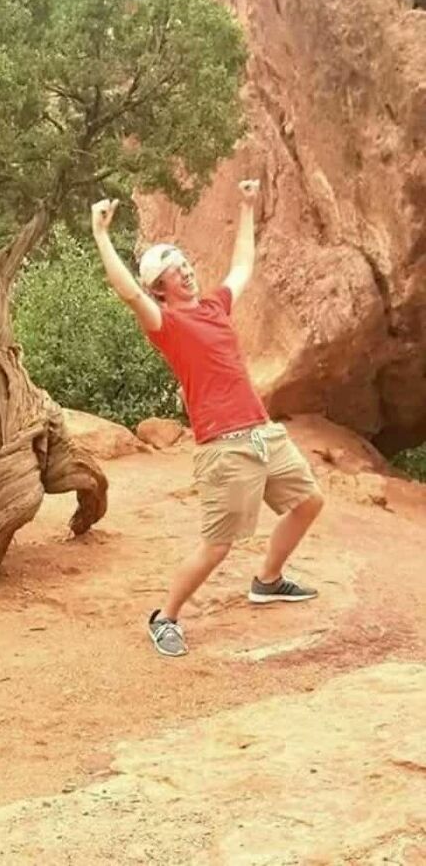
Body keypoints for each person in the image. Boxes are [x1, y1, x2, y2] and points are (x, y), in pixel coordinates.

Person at [91, 181, 324, 658]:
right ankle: (165, 617)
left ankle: (268, 580)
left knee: (308, 502)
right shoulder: (167, 325)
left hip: (263, 434)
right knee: (218, 546)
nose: (188, 274)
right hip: (225, 446)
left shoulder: (216, 306)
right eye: (177, 273)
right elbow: (128, 293)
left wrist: (247, 207)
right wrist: (101, 237)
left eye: (187, 266)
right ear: (161, 288)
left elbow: (242, 267)